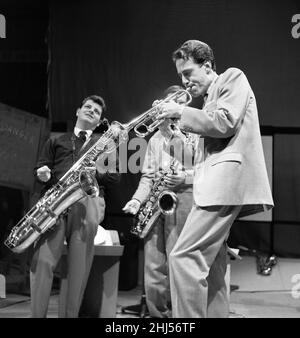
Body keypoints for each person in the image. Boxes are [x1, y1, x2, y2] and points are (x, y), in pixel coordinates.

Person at [157, 40, 274, 318]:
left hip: (224, 186)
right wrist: (168, 129)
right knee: (213, 268)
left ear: (207, 66)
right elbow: (195, 157)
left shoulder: (232, 77)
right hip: (212, 186)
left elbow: (225, 123)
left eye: (187, 73)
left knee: (183, 257)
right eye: (180, 77)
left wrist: (180, 112)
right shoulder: (206, 105)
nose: (185, 83)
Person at [30, 94, 120, 317]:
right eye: (87, 107)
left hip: (86, 203)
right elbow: (40, 170)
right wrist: (42, 175)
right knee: (43, 263)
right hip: (54, 203)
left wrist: (96, 172)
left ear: (100, 122)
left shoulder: (104, 144)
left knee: (79, 270)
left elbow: (115, 177)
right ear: (77, 111)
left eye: (96, 111)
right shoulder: (56, 141)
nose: (91, 111)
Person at [122, 85, 195, 318]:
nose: (176, 107)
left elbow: (204, 169)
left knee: (178, 265)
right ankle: (157, 317)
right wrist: (136, 200)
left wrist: (185, 177)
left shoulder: (195, 131)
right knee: (153, 268)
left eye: (182, 103)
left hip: (183, 199)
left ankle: (179, 317)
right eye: (172, 102)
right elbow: (148, 176)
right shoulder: (155, 138)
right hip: (156, 202)